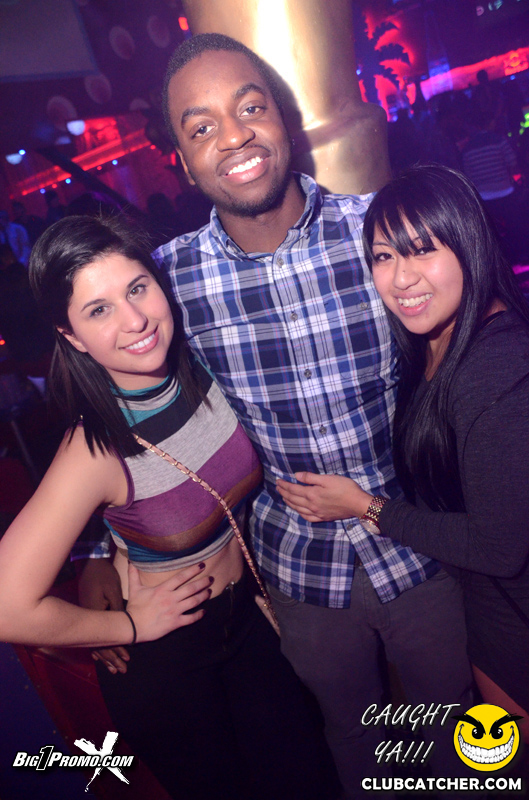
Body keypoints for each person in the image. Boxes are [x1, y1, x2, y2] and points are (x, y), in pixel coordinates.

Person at [82, 34, 474, 796]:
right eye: (202, 127)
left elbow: (467, 365)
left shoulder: (376, 235)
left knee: (459, 737)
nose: (233, 137)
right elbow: (141, 419)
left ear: (283, 118)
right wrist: (102, 548)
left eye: (250, 108)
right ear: (182, 160)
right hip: (297, 573)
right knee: (353, 745)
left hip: (421, 547)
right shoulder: (169, 284)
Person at [0, 214, 335, 800]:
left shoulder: (204, 370)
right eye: (98, 310)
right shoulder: (93, 449)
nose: (134, 321)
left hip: (252, 622)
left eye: (137, 288)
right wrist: (127, 626)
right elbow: (8, 606)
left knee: (311, 780)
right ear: (72, 336)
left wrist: (100, 555)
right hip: (172, 664)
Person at [278, 165, 529, 749]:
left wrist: (366, 507)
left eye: (423, 250)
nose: (400, 277)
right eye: (384, 256)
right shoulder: (434, 343)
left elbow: (499, 546)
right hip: (489, 613)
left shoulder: (498, 366)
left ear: (469, 243)